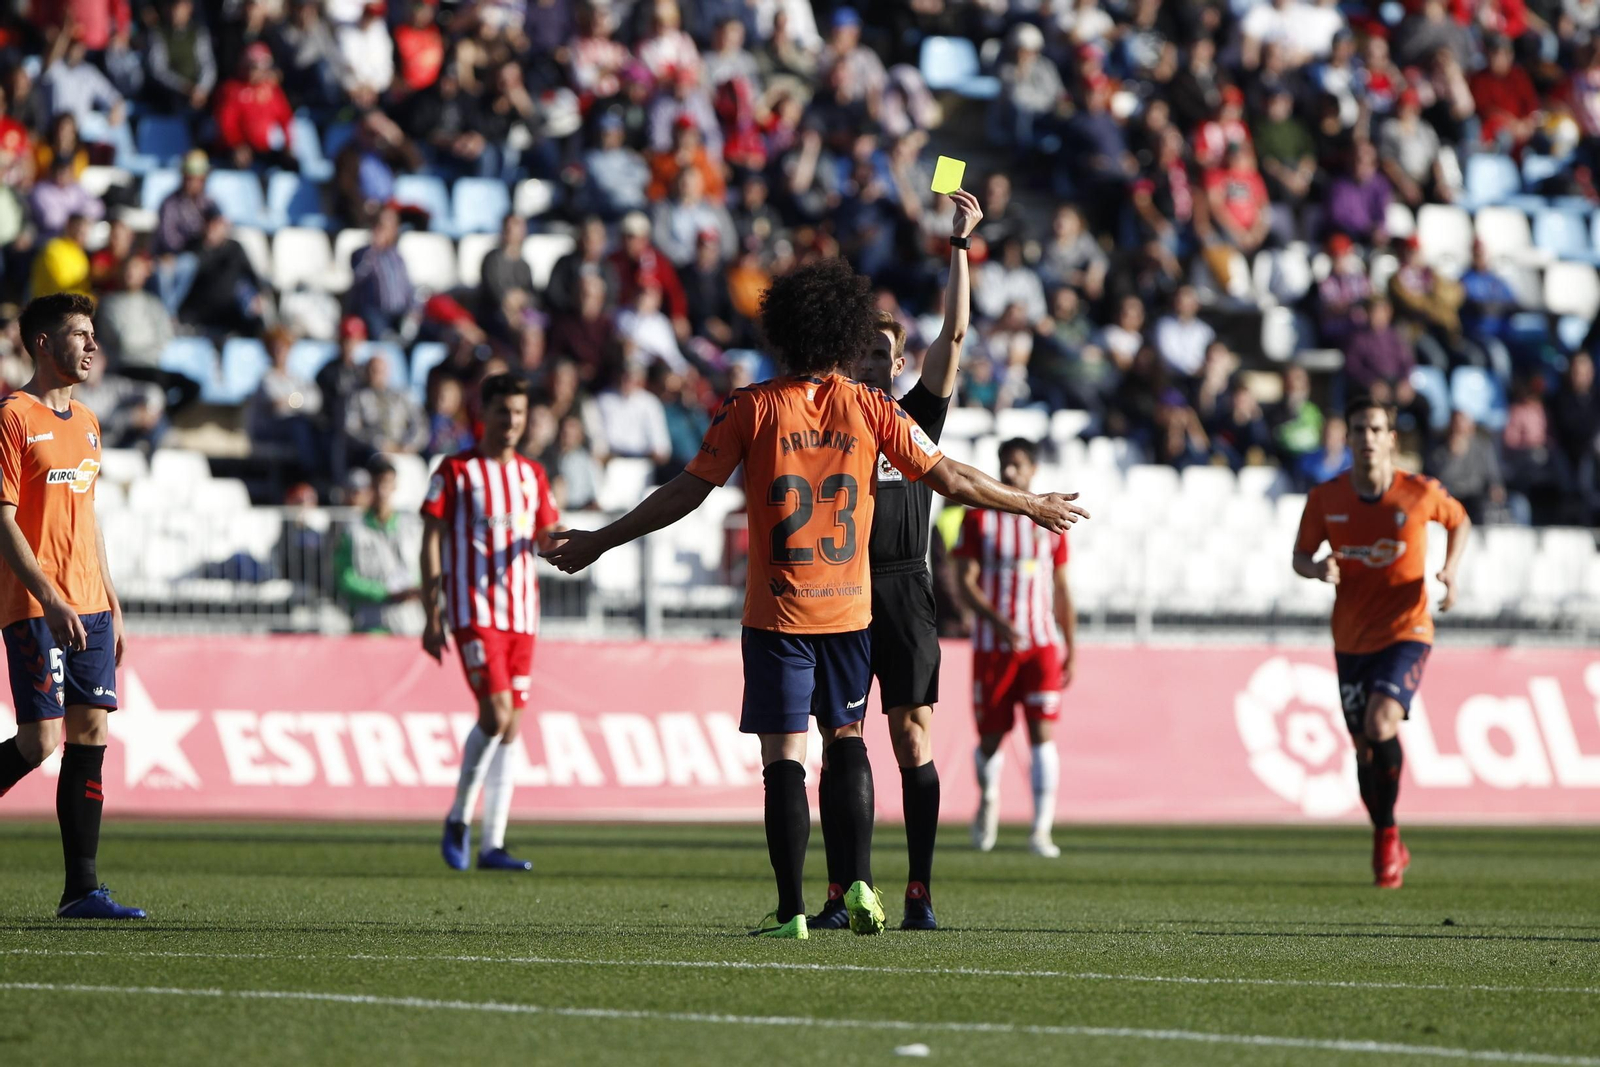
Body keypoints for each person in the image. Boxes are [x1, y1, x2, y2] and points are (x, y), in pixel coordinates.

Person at [545, 257, 1088, 939]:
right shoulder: (870, 408)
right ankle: (860, 881)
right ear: (843, 333)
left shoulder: (752, 406)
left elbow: (687, 491)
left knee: (785, 760)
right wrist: (1029, 502)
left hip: (779, 614)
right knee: (850, 737)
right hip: (850, 608)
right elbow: (949, 475)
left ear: (784, 331)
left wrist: (602, 538)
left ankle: (792, 910)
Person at [809, 187, 980, 934]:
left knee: (912, 735)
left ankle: (918, 888)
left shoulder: (917, 416)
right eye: (866, 353)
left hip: (906, 588)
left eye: (888, 353)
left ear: (901, 360)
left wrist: (960, 246)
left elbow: (959, 332)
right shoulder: (829, 416)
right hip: (840, 589)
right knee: (840, 742)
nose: (878, 362)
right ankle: (846, 887)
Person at [0, 292, 143, 919]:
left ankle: (82, 889)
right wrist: (50, 597)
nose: (90, 345)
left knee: (91, 733)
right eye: (77, 334)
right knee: (39, 743)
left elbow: (87, 516)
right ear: (41, 343)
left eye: (91, 334)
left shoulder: (87, 422)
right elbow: (4, 522)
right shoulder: (12, 416)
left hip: (88, 602)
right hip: (36, 605)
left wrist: (109, 599)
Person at [1292, 396, 1470, 889]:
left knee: (1380, 720)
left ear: (1391, 439)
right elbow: (1300, 555)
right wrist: (1317, 567)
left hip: (1406, 630)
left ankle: (1387, 839)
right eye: (1358, 430)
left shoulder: (1418, 492)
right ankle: (1386, 831)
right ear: (1347, 439)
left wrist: (1450, 573)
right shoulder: (1326, 498)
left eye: (1375, 429)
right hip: (1351, 637)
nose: (1366, 438)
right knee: (1363, 749)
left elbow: (1460, 520)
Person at [422, 374, 561, 874]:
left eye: (520, 414)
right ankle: (458, 818)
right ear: (485, 414)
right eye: (504, 412)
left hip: (523, 614)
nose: (512, 423)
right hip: (473, 611)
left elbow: (544, 536)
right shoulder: (457, 471)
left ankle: (492, 844)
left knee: (512, 728)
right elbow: (432, 539)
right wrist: (431, 612)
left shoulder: (532, 475)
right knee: (496, 715)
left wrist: (566, 541)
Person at [955, 438, 1075, 859]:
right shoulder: (980, 520)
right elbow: (963, 583)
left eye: (1018, 466)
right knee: (991, 739)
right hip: (993, 646)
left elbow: (1061, 588)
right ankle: (988, 799)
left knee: (1043, 735)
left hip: (1040, 644)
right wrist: (996, 622)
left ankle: (1041, 829)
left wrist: (1070, 647)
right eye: (1005, 465)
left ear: (1033, 471)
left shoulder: (1049, 523)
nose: (1009, 473)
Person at [335, 457, 426, 635]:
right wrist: (385, 592)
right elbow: (345, 578)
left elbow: (426, 566)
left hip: (410, 623)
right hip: (371, 623)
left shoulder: (412, 527)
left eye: (386, 484)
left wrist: (416, 588)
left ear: (395, 486)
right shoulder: (351, 530)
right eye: (376, 484)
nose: (382, 492)